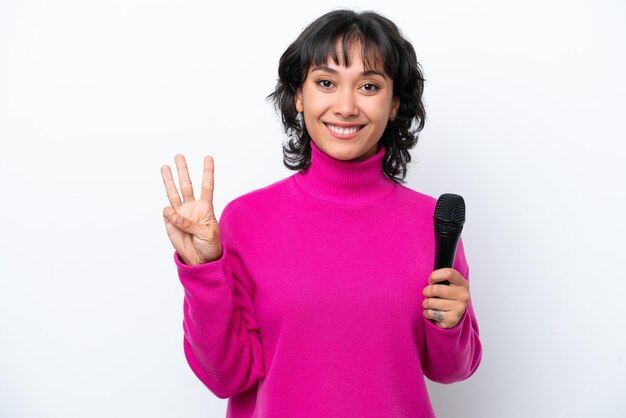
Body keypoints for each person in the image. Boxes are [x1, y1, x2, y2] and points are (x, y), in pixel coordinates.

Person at [160, 9, 481, 418]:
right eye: (326, 83)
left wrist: (451, 324)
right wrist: (202, 269)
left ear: (396, 102)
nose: (345, 107)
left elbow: (452, 370)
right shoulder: (245, 220)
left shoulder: (432, 221)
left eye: (368, 86)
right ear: (298, 95)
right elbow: (224, 377)